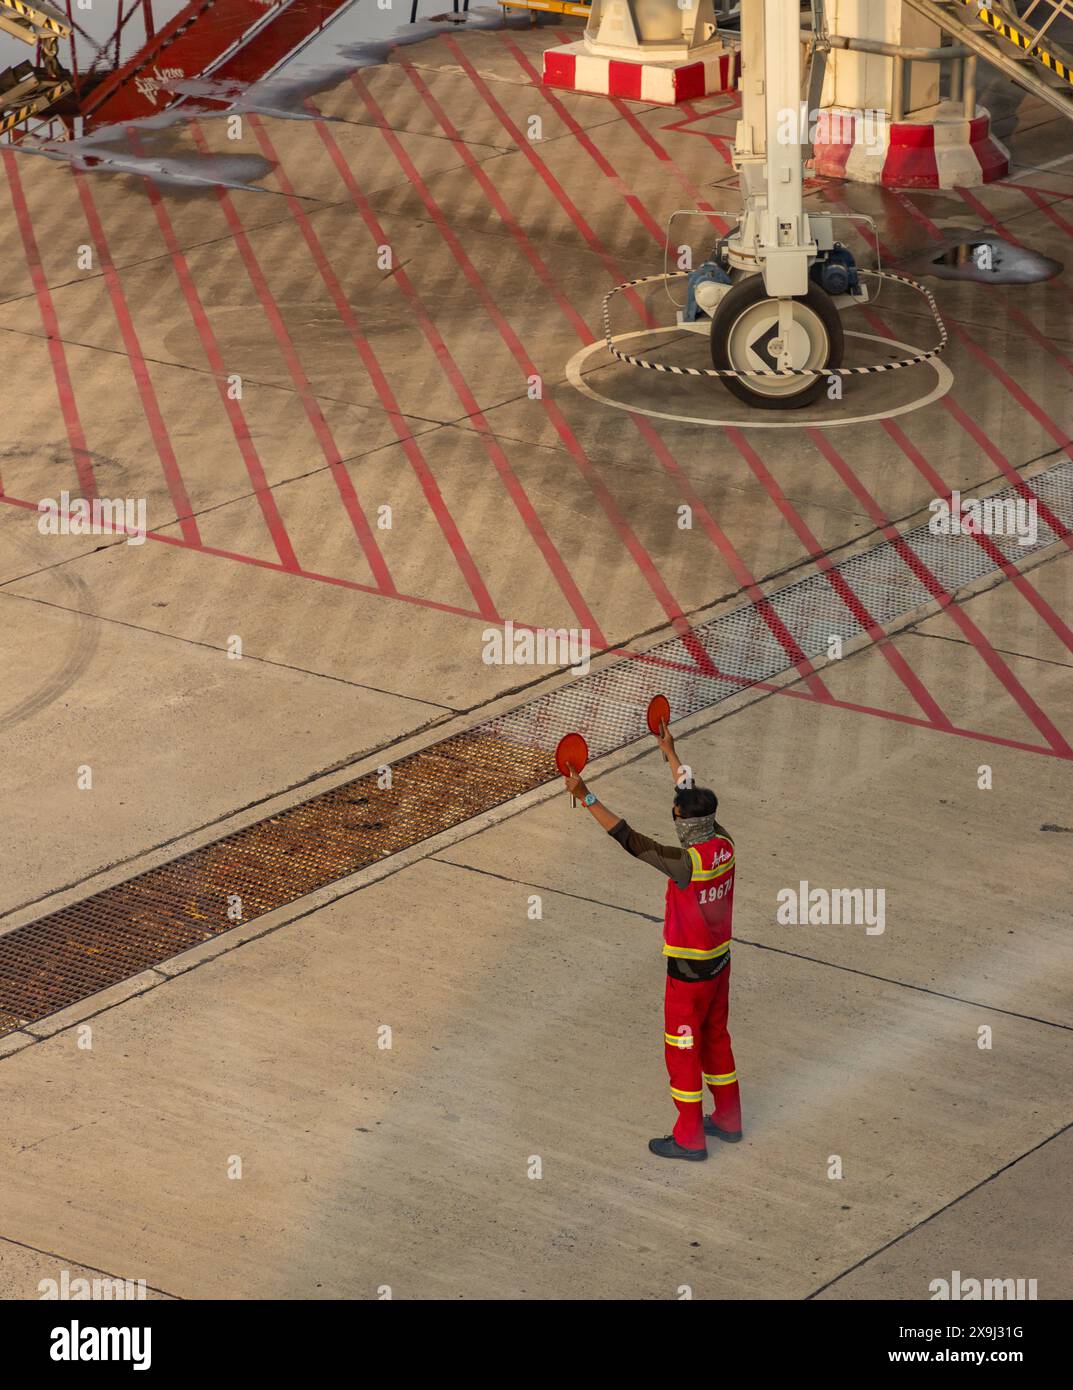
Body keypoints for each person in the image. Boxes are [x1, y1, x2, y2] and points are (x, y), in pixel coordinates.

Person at [564, 727, 741, 1161]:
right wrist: (670, 753)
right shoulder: (724, 844)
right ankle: (729, 1120)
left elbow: (628, 838)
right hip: (720, 965)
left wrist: (586, 794)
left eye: (676, 814)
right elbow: (693, 800)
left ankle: (689, 1139)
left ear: (684, 822)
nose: (675, 817)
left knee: (683, 1050)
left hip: (687, 975)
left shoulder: (684, 863)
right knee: (716, 1037)